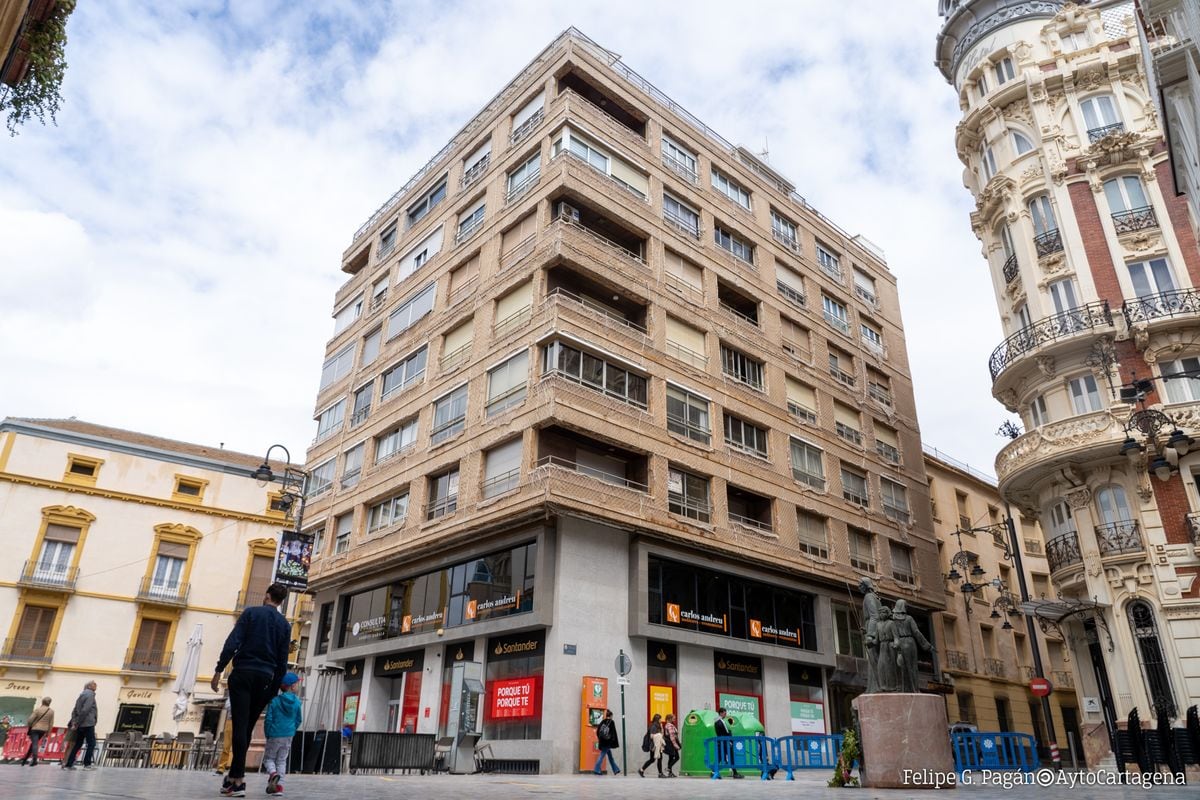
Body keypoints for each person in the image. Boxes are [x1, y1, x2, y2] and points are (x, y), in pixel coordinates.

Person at [210, 582, 291, 798]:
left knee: (240, 724)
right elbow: (283, 661)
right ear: (281, 601)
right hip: (265, 679)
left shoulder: (251, 614)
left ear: (266, 596)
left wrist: (219, 670)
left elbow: (232, 642)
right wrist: (273, 689)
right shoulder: (285, 625)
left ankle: (238, 780)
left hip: (243, 673)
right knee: (246, 728)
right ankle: (233, 779)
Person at [263, 673, 303, 796]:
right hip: (288, 735)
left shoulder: (275, 701)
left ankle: (273, 774)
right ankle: (279, 788)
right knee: (281, 760)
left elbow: (268, 719)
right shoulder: (297, 702)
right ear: (291, 686)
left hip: (274, 734)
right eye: (297, 683)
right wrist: (292, 729)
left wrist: (268, 733)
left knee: (268, 759)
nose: (298, 685)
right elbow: (298, 719)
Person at [892, 600, 934, 693]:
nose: (906, 608)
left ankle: (904, 689)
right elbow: (916, 632)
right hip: (910, 643)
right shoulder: (909, 619)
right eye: (906, 607)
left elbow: (894, 636)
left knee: (902, 668)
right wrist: (927, 646)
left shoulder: (893, 620)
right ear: (903, 607)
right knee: (912, 667)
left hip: (900, 644)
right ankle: (915, 689)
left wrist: (897, 647)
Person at [63, 681, 98, 770]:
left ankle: (69, 764)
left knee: (78, 744)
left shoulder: (82, 694)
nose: (96, 686)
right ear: (89, 686)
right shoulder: (90, 695)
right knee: (91, 743)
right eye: (94, 684)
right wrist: (78, 721)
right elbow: (85, 710)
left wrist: (75, 721)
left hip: (81, 724)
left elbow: (75, 709)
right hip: (88, 723)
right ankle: (87, 764)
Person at [19, 697, 54, 766]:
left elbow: (30, 719)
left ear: (42, 702)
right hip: (44, 730)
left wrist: (29, 725)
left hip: (35, 728)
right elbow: (51, 723)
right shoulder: (51, 711)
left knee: (34, 744)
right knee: (33, 744)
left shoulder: (38, 709)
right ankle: (25, 759)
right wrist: (48, 732)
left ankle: (35, 759)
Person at [714, 707, 743, 779]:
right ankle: (735, 773)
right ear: (721, 713)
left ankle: (714, 772)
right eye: (724, 713)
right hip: (725, 742)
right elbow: (724, 732)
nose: (725, 714)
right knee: (730, 757)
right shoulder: (719, 722)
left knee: (720, 757)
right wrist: (729, 738)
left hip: (723, 742)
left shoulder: (719, 721)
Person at [592, 709, 620, 775]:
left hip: (602, 741)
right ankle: (596, 769)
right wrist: (612, 741)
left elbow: (598, 731)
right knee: (602, 755)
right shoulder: (612, 722)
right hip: (607, 742)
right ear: (610, 716)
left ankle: (616, 769)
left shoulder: (602, 721)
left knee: (610, 757)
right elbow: (613, 733)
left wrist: (601, 738)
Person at [638, 713, 665, 778]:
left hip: (657, 745)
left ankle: (641, 770)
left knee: (652, 759)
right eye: (660, 719)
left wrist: (661, 728)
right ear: (658, 719)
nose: (661, 720)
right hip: (654, 745)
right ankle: (660, 774)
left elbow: (662, 735)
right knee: (659, 758)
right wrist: (659, 735)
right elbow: (651, 736)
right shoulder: (653, 726)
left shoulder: (658, 726)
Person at [213, 692, 233, 774]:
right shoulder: (232, 694)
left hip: (242, 721)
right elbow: (227, 705)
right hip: (230, 720)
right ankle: (221, 767)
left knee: (239, 746)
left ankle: (236, 767)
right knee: (226, 746)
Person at [662, 713, 681, 778]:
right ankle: (668, 768)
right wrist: (676, 745)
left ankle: (670, 773)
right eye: (673, 718)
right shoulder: (669, 725)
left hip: (670, 744)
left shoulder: (668, 725)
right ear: (669, 719)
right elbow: (672, 737)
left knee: (671, 758)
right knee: (677, 757)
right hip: (672, 744)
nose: (674, 719)